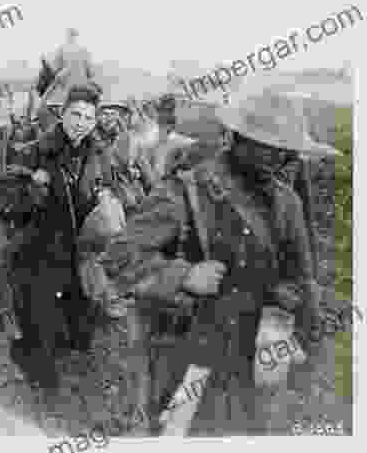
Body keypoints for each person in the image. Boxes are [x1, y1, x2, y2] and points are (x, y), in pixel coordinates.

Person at [98, 88, 338, 435]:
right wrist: (183, 275)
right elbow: (118, 258)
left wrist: (299, 324)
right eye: (273, 148)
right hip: (190, 358)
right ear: (240, 140)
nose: (284, 160)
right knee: (179, 435)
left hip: (258, 360)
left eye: (286, 151)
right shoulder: (186, 191)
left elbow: (303, 277)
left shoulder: (287, 203)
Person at [4, 84, 119, 398]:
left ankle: (65, 368)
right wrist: (31, 190)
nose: (80, 123)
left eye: (88, 117)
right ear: (62, 113)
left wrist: (107, 197)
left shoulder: (99, 154)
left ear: (95, 122)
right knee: (39, 318)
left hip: (79, 251)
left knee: (76, 313)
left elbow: (111, 187)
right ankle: (40, 383)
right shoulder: (34, 151)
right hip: (39, 250)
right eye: (75, 114)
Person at [45, 28, 96, 102]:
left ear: (68, 36)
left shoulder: (61, 49)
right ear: (76, 37)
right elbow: (91, 73)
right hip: (81, 88)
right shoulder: (84, 50)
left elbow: (54, 70)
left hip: (67, 88)